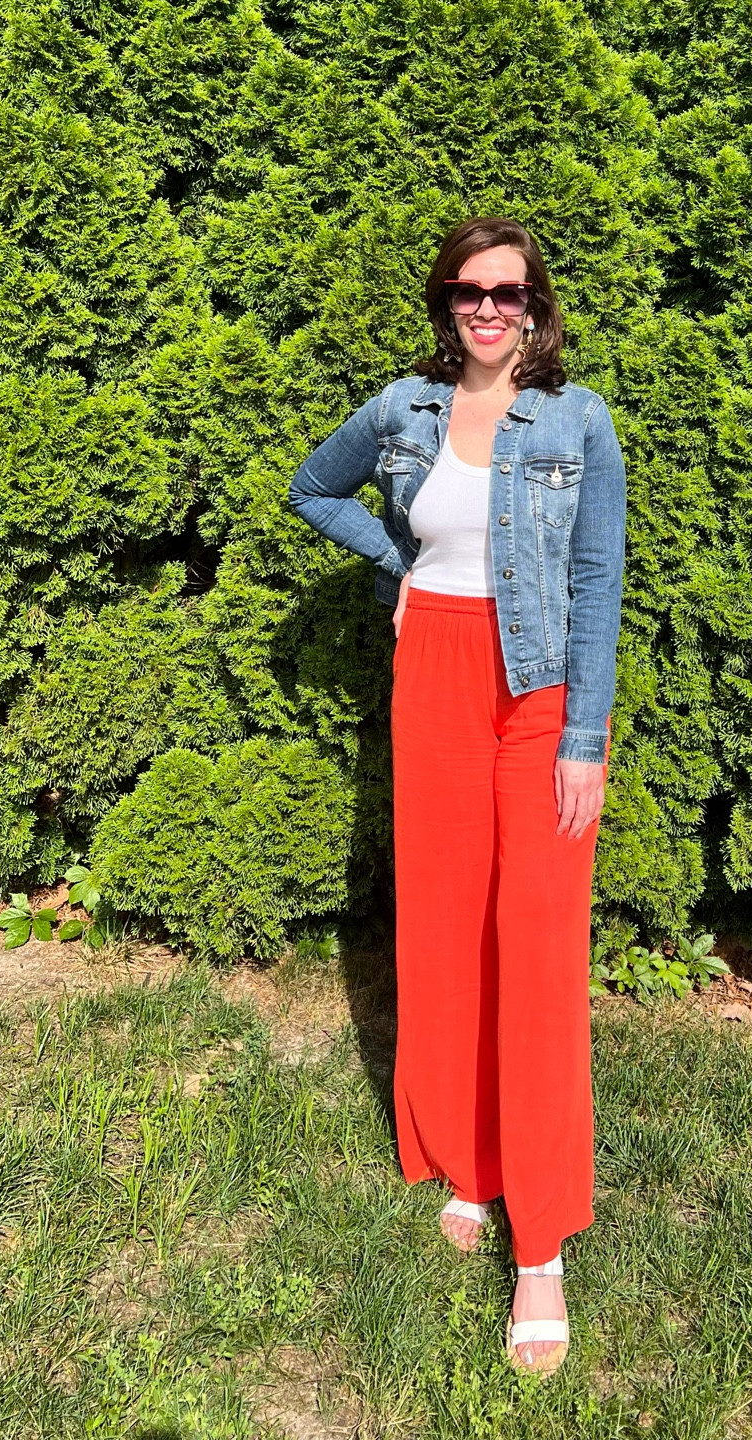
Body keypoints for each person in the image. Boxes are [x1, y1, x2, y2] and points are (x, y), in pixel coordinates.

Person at [287, 215, 626, 1374]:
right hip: (429, 668)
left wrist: (582, 732)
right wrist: (402, 565)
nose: (490, 309)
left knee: (530, 944)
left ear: (537, 306)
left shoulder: (577, 419)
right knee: (442, 924)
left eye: (510, 292)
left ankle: (541, 1242)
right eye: (469, 292)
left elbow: (593, 578)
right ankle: (467, 1162)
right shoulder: (402, 408)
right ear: (446, 305)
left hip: (535, 690)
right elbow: (312, 487)